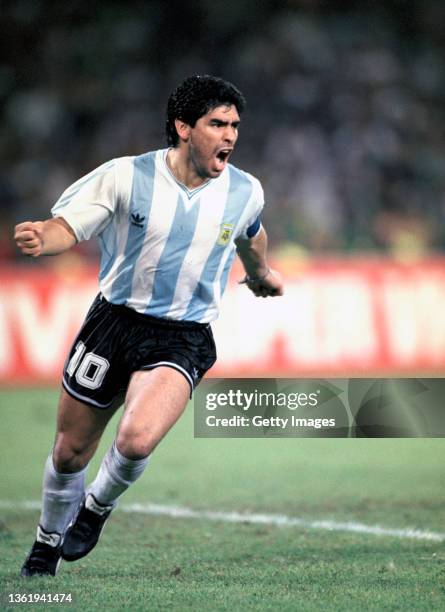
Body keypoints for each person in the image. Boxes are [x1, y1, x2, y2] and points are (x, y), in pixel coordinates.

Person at [14, 75, 284, 577]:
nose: (229, 136)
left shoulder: (245, 190)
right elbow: (67, 227)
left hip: (183, 334)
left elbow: (253, 235)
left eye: (234, 126)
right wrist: (41, 237)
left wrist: (262, 273)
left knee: (137, 439)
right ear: (183, 127)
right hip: (113, 323)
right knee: (70, 452)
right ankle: (46, 542)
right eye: (216, 124)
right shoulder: (125, 176)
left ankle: (95, 507)